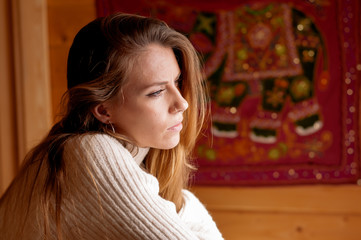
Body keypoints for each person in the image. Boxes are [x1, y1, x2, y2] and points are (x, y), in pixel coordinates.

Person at [0, 13, 223, 240]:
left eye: (176, 82)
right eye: (156, 92)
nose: (182, 103)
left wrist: (184, 209)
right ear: (104, 111)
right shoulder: (87, 152)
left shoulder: (144, 173)